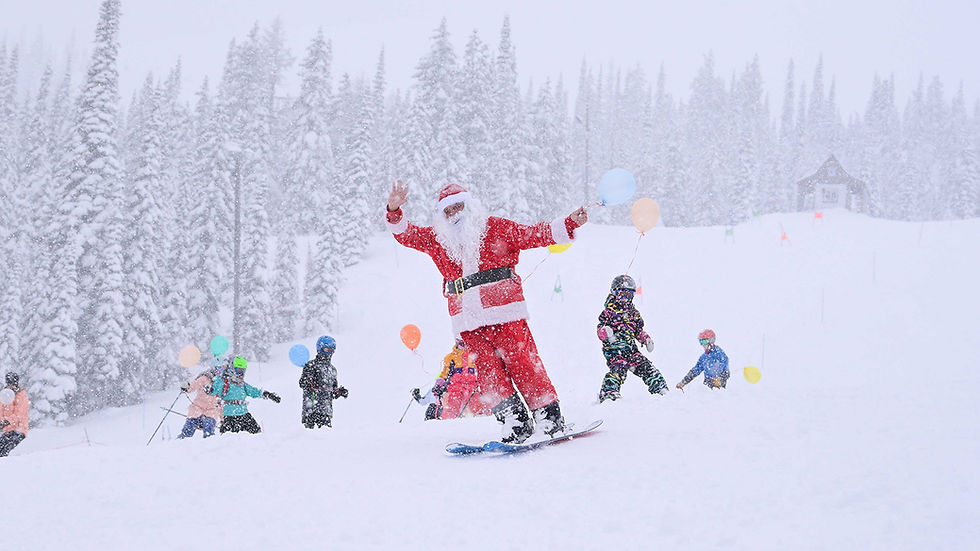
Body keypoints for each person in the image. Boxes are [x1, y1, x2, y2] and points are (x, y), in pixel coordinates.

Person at [386, 180, 588, 443]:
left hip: (505, 311)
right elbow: (407, 235)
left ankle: (549, 419)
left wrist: (569, 223)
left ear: (470, 206)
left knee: (523, 364)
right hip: (467, 321)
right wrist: (393, 210)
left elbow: (533, 234)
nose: (454, 214)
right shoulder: (438, 240)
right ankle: (515, 423)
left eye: (459, 207)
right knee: (489, 374)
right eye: (448, 211)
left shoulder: (496, 227)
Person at [596, 275, 669, 402]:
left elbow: (638, 331)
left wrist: (646, 339)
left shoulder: (633, 313)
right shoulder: (608, 312)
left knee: (646, 366)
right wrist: (606, 333)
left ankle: (660, 388)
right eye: (622, 294)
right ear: (614, 292)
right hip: (614, 350)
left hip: (631, 350)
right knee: (619, 369)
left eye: (628, 295)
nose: (625, 299)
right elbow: (600, 331)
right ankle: (609, 393)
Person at [411, 338, 486, 421]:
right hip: (456, 387)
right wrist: (439, 385)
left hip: (472, 386)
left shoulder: (474, 356)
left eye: (466, 344)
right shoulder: (451, 358)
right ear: (457, 343)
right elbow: (444, 374)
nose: (464, 346)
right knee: (453, 404)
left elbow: (482, 370)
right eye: (461, 344)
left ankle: (481, 420)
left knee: (477, 404)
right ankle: (449, 423)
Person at [209, 357, 281, 434]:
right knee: (229, 438)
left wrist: (267, 394)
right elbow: (214, 390)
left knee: (257, 433)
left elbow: (254, 391)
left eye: (243, 371)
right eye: (238, 370)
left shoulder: (242, 385)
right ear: (232, 369)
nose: (241, 373)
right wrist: (210, 389)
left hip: (244, 414)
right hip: (230, 416)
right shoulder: (224, 382)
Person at [299, 336, 348, 429]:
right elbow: (302, 383)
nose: (328, 353)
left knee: (324, 440)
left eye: (331, 350)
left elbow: (331, 392)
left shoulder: (332, 370)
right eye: (326, 349)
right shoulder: (311, 365)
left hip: (326, 413)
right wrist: (308, 380)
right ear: (319, 349)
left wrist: (339, 392)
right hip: (311, 411)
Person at [177, 358, 225, 439]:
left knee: (209, 426)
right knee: (190, 426)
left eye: (220, 370)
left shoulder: (221, 383)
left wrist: (223, 418)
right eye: (217, 369)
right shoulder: (204, 378)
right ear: (212, 369)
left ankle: (208, 444)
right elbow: (194, 385)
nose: (218, 372)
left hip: (211, 411)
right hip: (197, 408)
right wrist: (187, 387)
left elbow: (221, 402)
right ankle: (181, 441)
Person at [0, 372, 29, 457]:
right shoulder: (5, 395)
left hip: (19, 430)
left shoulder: (21, 396)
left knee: (4, 451)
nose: (11, 386)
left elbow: (19, 414)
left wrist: (7, 421)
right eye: (9, 384)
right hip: (7, 431)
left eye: (13, 384)